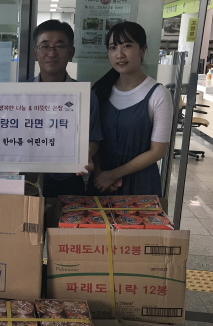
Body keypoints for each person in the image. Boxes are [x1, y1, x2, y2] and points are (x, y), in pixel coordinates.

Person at [90, 21, 173, 196]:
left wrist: (112, 175)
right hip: (101, 183)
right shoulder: (101, 91)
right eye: (113, 48)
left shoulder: (158, 94)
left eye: (127, 46)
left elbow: (157, 151)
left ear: (142, 50)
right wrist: (99, 174)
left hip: (140, 185)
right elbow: (93, 138)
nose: (119, 54)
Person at [26, 20, 103, 197]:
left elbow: (94, 138)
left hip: (69, 179)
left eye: (59, 46)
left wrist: (85, 154)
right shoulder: (19, 94)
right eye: (45, 46)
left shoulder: (86, 95)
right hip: (28, 180)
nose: (52, 53)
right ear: (35, 53)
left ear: (71, 52)